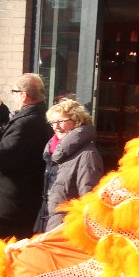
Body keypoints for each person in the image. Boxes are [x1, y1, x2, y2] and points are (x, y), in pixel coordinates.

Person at [0, 73, 53, 240]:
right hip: (16, 205)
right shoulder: (34, 117)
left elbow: (1, 156)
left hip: (11, 209)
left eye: (14, 91)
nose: (12, 95)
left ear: (24, 95)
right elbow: (14, 131)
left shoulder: (28, 123)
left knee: (4, 251)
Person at [36, 98, 102, 233]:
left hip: (67, 229)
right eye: (52, 122)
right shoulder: (53, 151)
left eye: (61, 121)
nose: (56, 126)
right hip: (49, 224)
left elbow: (88, 198)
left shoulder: (87, 154)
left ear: (77, 121)